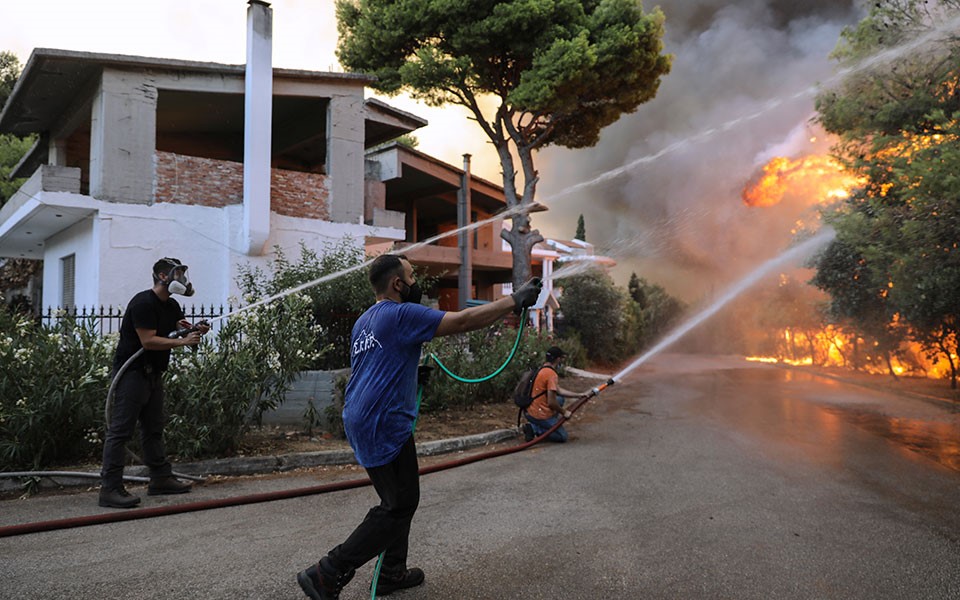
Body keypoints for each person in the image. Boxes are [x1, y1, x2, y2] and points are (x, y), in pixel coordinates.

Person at [297, 254, 543, 600]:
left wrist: (410, 373)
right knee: (398, 505)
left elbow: (378, 364)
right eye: (411, 276)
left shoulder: (364, 321)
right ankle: (328, 571)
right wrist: (514, 301)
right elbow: (463, 320)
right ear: (398, 284)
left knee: (397, 500)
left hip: (360, 416)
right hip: (384, 420)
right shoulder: (401, 313)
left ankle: (391, 572)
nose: (416, 283)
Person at [98, 257, 209, 509]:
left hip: (153, 374)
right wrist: (182, 342)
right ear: (162, 276)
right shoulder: (143, 303)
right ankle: (110, 489)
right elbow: (148, 341)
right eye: (177, 274)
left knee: (153, 428)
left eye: (182, 273)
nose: (182, 279)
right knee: (120, 432)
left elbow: (179, 326)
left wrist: (195, 329)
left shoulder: (171, 305)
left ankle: (160, 479)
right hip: (132, 373)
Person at [522, 346, 588, 443]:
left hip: (529, 411)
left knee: (560, 399)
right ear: (557, 359)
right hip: (539, 414)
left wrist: (579, 395)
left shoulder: (541, 369)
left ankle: (541, 424)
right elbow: (551, 402)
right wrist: (564, 412)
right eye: (561, 358)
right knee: (562, 436)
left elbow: (559, 390)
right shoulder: (551, 374)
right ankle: (534, 428)